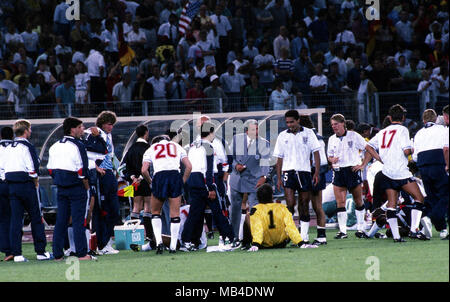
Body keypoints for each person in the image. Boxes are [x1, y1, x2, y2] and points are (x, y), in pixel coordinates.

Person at [357, 105, 427, 242]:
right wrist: (413, 148)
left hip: (387, 172)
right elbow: (407, 151)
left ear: (389, 117)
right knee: (419, 198)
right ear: (403, 118)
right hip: (400, 172)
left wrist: (378, 158)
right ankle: (414, 230)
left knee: (391, 205)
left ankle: (396, 237)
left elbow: (368, 146)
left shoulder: (383, 132)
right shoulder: (402, 130)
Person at [47, 117, 96, 261]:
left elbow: (50, 169)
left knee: (61, 220)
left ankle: (57, 254)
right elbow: (82, 169)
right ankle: (82, 253)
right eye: (80, 127)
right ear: (72, 129)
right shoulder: (78, 145)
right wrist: (86, 186)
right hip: (76, 186)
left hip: (61, 186)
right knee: (78, 220)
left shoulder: (54, 145)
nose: (83, 129)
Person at [181, 122, 235, 251]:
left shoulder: (192, 145)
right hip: (204, 180)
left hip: (192, 180)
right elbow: (209, 169)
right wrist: (210, 187)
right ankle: (229, 238)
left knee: (194, 213)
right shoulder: (209, 146)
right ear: (211, 132)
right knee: (218, 211)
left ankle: (187, 241)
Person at [3, 120, 52, 262]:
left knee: (16, 220)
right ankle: (41, 252)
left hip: (11, 185)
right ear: (26, 131)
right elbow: (33, 167)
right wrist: (35, 180)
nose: (30, 132)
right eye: (29, 129)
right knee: (36, 218)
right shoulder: (27, 146)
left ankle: (17, 254)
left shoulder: (8, 147)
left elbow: (2, 168)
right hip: (26, 185)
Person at [273, 110, 321, 244]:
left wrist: (316, 172)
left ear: (298, 120)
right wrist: (278, 178)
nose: (289, 125)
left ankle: (303, 236)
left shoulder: (309, 133)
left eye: (291, 122)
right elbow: (279, 158)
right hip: (288, 172)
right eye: (287, 122)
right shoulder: (282, 136)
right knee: (290, 205)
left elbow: (316, 153)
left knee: (304, 203)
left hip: (304, 172)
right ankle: (289, 233)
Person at [141, 135, 192, 254]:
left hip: (159, 176)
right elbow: (189, 166)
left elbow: (144, 170)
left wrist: (151, 182)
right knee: (175, 214)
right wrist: (182, 181)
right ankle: (173, 246)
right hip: (174, 176)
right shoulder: (177, 146)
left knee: (155, 213)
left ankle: (159, 242)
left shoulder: (151, 148)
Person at [229, 119, 270, 247]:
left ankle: (256, 237)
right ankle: (234, 238)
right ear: (246, 131)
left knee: (255, 210)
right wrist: (236, 166)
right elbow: (230, 157)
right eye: (254, 129)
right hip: (238, 179)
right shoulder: (236, 140)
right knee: (234, 210)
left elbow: (265, 161)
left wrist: (264, 176)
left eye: (258, 129)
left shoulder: (264, 143)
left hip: (255, 180)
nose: (257, 131)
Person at [327, 114, 368, 239]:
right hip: (339, 172)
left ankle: (361, 228)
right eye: (332, 124)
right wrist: (332, 159)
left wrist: (362, 165)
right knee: (340, 202)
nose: (334, 126)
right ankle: (343, 231)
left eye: (336, 124)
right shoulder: (331, 139)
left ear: (343, 123)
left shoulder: (354, 136)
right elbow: (329, 156)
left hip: (352, 170)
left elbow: (368, 149)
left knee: (358, 200)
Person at [246, 184, 317, 252]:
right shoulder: (283, 207)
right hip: (281, 244)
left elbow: (258, 228)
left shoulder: (256, 209)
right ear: (272, 196)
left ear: (258, 198)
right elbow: (290, 227)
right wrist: (301, 243)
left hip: (263, 244)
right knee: (286, 224)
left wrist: (256, 244)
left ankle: (245, 244)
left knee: (248, 216)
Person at [412, 109, 449, 240]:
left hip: (423, 165)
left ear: (424, 120)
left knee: (432, 197)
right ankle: (430, 217)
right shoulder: (442, 130)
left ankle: (442, 229)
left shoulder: (419, 133)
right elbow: (446, 148)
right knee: (445, 194)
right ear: (435, 119)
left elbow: (415, 156)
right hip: (438, 163)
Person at [92, 111, 121, 254]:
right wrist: (96, 168)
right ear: (102, 123)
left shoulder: (108, 136)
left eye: (112, 125)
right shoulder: (94, 135)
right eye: (109, 124)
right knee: (103, 209)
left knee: (113, 210)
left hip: (109, 175)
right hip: (101, 175)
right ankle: (102, 244)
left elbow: (111, 156)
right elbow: (87, 153)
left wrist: (119, 172)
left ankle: (105, 242)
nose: (111, 127)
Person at [121, 125, 155, 246]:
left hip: (134, 182)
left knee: (136, 207)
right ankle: (150, 236)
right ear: (146, 133)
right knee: (148, 207)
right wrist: (141, 177)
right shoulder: (148, 148)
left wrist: (133, 178)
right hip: (146, 180)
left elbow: (123, 167)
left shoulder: (130, 149)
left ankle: (133, 236)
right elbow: (149, 166)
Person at [298, 115, 328, 245]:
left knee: (313, 205)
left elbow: (322, 160)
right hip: (311, 172)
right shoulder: (316, 136)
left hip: (312, 173)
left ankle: (320, 236)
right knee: (309, 205)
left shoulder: (314, 137)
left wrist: (316, 173)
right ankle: (311, 235)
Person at [0, 126, 14, 261]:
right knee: (15, 217)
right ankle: (14, 249)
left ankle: (7, 250)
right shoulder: (16, 147)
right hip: (12, 184)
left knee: (3, 219)